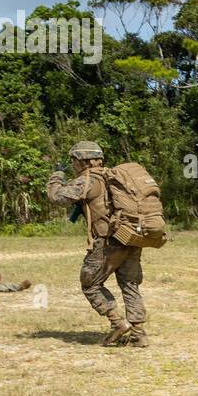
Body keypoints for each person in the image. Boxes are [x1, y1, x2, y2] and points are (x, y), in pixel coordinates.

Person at [47, 141, 149, 347]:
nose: (73, 164)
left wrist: (57, 175)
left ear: (82, 161)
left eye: (73, 160)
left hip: (107, 242)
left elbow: (56, 197)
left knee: (90, 284)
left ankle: (118, 323)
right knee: (129, 284)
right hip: (130, 237)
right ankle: (139, 334)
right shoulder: (115, 177)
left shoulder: (88, 180)